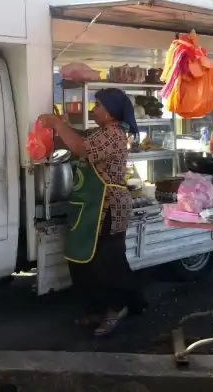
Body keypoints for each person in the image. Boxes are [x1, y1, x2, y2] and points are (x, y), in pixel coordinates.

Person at [39, 88, 147, 337]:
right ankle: (100, 307)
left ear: (110, 112)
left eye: (97, 105)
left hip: (108, 205)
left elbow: (83, 148)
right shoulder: (99, 132)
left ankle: (117, 308)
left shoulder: (115, 134)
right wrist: (59, 128)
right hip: (90, 205)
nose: (92, 109)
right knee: (83, 263)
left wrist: (58, 124)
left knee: (106, 262)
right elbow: (75, 139)